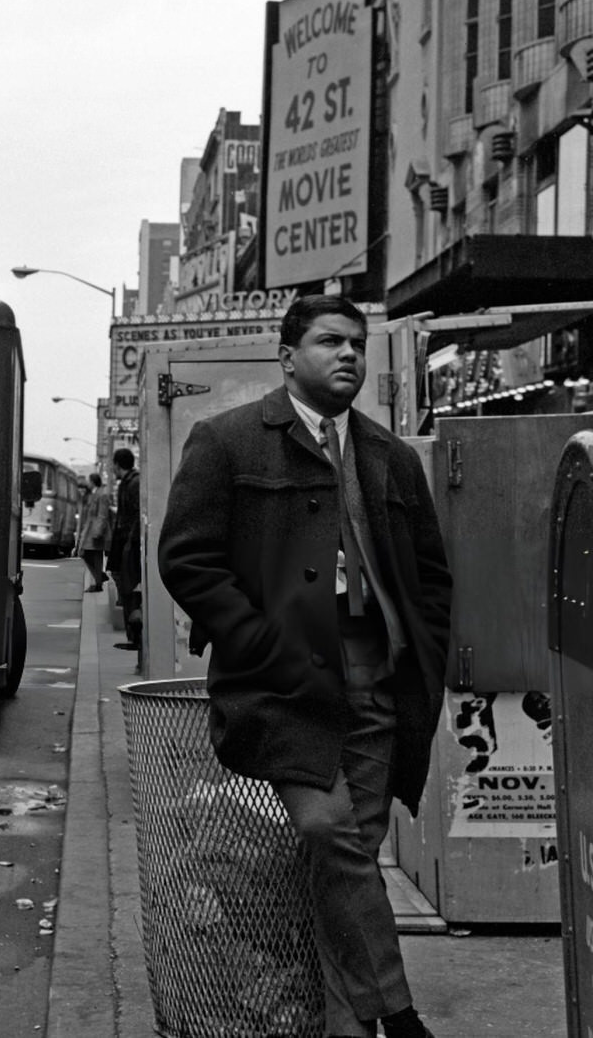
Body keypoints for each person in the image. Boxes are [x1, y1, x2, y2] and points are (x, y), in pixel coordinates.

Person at [157, 293, 451, 1038]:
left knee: (345, 863)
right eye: (329, 341)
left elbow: (430, 575)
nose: (348, 353)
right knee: (330, 834)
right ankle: (400, 1010)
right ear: (288, 356)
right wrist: (257, 643)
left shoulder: (390, 457)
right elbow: (187, 558)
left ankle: (346, 1028)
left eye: (355, 342)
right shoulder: (227, 441)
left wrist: (425, 653)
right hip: (285, 686)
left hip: (379, 685)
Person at [105, 446, 141, 647]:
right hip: (124, 542)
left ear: (118, 465)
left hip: (128, 543)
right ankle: (132, 634)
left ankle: (135, 636)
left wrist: (129, 542)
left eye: (113, 464)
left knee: (129, 588)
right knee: (123, 584)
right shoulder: (128, 483)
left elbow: (135, 515)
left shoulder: (133, 483)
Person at [74, 471, 112, 592]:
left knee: (96, 557)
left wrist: (98, 532)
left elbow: (102, 515)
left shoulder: (102, 495)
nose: (88, 484)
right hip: (91, 532)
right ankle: (99, 578)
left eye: (89, 481)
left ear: (93, 482)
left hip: (96, 532)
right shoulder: (93, 495)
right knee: (85, 554)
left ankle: (98, 583)